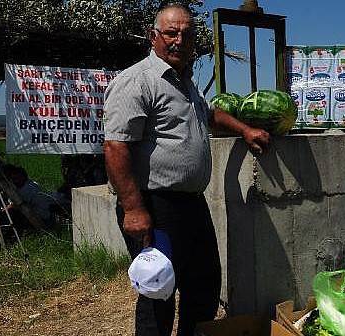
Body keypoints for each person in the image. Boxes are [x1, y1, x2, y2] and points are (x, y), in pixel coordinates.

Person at [103, 4, 270, 336]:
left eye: (187, 34)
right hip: (154, 204)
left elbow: (210, 115)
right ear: (154, 37)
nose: (179, 40)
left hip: (191, 203)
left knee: (204, 285)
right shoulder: (138, 81)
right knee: (159, 292)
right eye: (171, 33)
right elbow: (115, 146)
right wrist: (134, 209)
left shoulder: (183, 82)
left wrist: (244, 130)